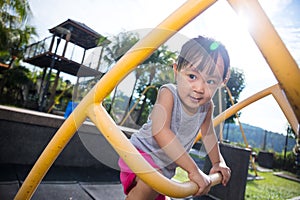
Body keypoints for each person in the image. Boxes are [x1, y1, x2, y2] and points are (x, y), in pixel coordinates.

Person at [118, 35, 231, 200]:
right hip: (140, 154)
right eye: (192, 76)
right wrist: (193, 170)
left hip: (165, 169)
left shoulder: (207, 107)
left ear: (223, 81)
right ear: (177, 70)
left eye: (211, 81)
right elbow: (160, 131)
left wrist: (218, 162)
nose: (199, 88)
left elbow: (208, 134)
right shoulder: (169, 93)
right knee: (149, 186)